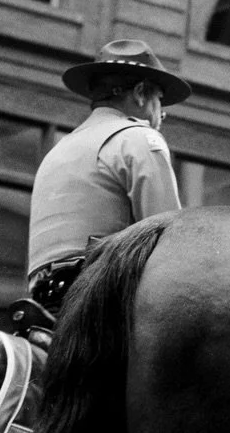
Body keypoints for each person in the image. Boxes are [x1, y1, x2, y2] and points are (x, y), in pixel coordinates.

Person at [26, 38, 189, 314]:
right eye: (159, 100)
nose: (162, 114)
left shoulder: (58, 150)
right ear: (139, 93)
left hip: (40, 305)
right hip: (102, 301)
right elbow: (172, 246)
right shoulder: (140, 138)